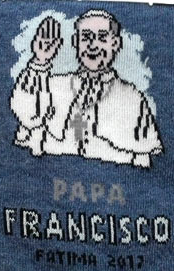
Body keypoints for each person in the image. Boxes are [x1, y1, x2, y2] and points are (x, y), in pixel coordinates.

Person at [10, 10, 164, 168]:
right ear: (75, 42)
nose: (93, 45)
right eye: (85, 37)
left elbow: (142, 162)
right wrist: (40, 61)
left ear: (115, 43)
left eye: (102, 38)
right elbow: (25, 116)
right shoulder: (54, 86)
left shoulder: (133, 100)